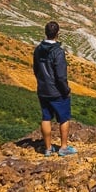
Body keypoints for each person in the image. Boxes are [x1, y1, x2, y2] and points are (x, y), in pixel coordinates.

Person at [32, 21, 76, 157]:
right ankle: (63, 148)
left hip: (43, 89)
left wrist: (42, 81)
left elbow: (35, 68)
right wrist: (66, 90)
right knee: (64, 118)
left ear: (45, 32)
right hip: (57, 91)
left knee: (46, 117)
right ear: (58, 33)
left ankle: (48, 148)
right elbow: (61, 76)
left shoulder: (38, 49)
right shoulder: (58, 52)